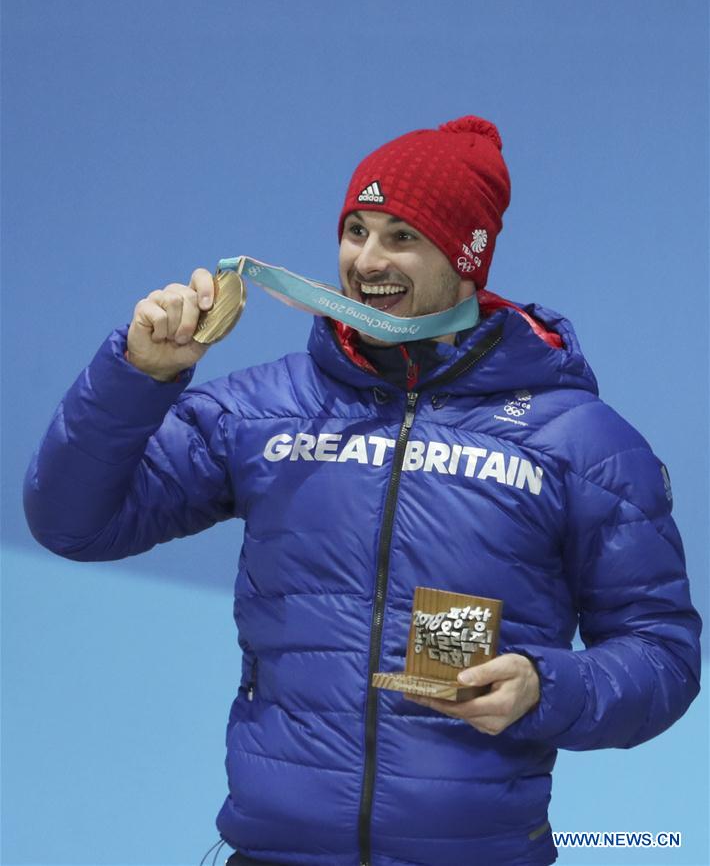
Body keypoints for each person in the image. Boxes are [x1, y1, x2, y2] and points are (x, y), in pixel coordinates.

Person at [24, 116, 701, 866]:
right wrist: (138, 374)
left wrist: (546, 685)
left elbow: (662, 656)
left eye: (402, 235)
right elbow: (71, 522)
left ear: (465, 255)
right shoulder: (262, 410)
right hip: (275, 852)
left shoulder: (580, 441)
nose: (366, 259)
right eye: (355, 229)